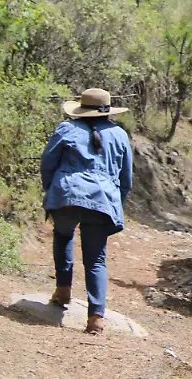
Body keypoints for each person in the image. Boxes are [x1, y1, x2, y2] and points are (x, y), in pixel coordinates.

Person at [41, 88, 134, 335]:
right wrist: (115, 204)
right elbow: (126, 179)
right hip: (103, 199)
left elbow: (47, 164)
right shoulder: (120, 135)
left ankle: (63, 292)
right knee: (96, 258)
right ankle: (95, 318)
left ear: (82, 110)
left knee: (63, 235)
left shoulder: (66, 128)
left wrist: (52, 193)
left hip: (67, 195)